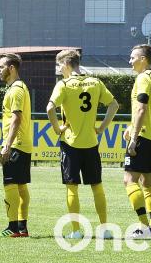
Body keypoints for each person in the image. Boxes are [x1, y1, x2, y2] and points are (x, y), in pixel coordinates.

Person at [46, 49, 118, 239]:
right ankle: (105, 229)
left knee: (72, 187)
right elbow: (114, 105)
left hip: (70, 143)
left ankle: (76, 231)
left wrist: (57, 129)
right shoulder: (96, 82)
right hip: (91, 143)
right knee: (97, 186)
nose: (59, 69)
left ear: (67, 65)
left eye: (59, 65)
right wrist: (101, 127)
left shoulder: (64, 85)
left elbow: (49, 108)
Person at [122, 44, 151, 239]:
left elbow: (142, 109)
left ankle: (143, 226)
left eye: (133, 57)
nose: (130, 61)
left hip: (143, 137)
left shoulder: (143, 78)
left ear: (143, 59)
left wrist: (134, 137)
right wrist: (132, 127)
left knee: (129, 180)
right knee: (147, 182)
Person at [0, 53, 32, 238]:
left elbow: (17, 119)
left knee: (10, 185)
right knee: (21, 187)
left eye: (1, 67)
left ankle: (13, 227)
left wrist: (7, 145)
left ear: (11, 68)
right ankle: (22, 226)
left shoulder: (16, 89)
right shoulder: (18, 87)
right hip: (22, 144)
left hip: (15, 144)